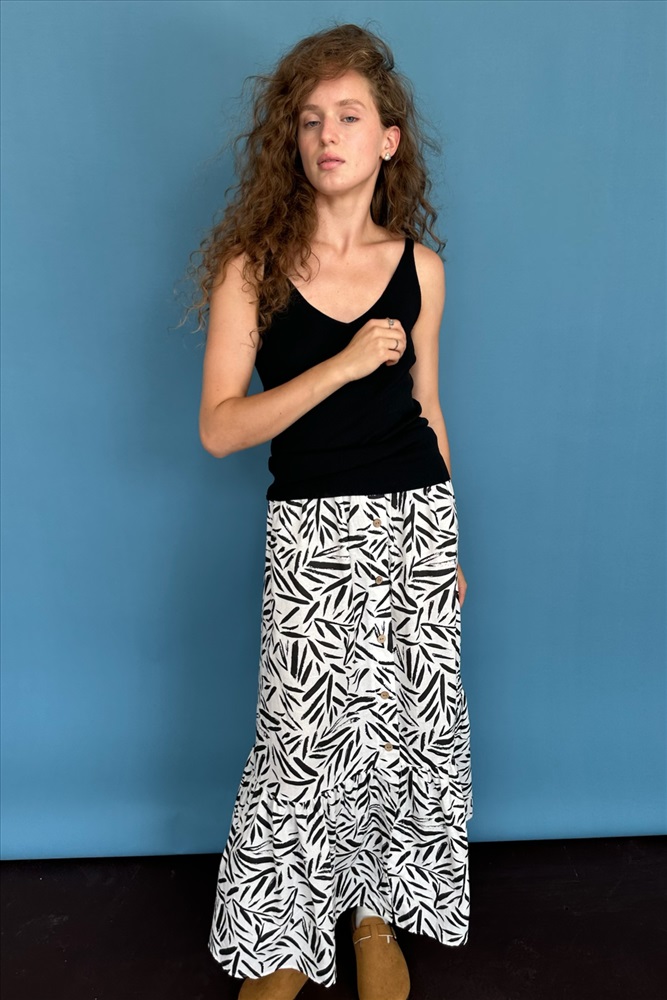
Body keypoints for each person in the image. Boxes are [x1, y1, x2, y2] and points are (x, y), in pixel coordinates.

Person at [192, 22, 473, 1000]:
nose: (327, 135)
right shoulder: (251, 269)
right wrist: (342, 365)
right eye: (310, 119)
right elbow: (219, 428)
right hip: (312, 529)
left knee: (401, 735)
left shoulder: (421, 271)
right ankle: (279, 944)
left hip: (414, 526)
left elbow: (428, 407)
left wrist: (450, 545)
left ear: (387, 140)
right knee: (302, 745)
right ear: (293, 139)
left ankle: (372, 917)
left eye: (349, 117)